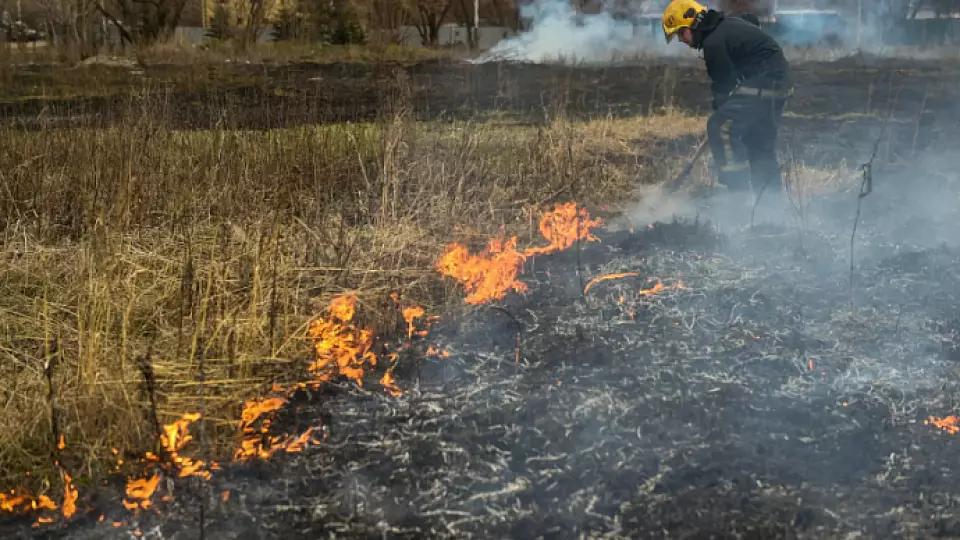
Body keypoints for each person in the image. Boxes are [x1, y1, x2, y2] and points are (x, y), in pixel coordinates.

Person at [661, 0, 791, 201]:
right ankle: (770, 206)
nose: (681, 40)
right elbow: (751, 21)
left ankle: (738, 197)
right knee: (758, 142)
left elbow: (723, 87)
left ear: (692, 25)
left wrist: (722, 110)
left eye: (680, 33)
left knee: (720, 126)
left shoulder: (714, 42)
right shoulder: (727, 25)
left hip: (761, 84)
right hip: (779, 85)